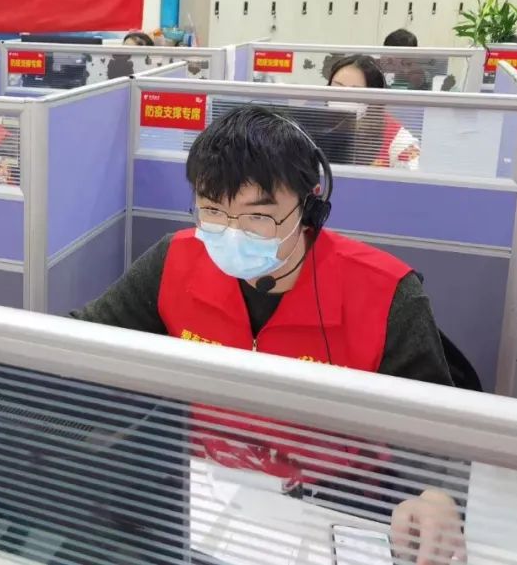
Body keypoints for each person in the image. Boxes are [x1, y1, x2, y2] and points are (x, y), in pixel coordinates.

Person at [72, 106, 464, 562]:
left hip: (336, 505)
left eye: (258, 217)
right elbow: (81, 342)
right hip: (203, 496)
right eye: (212, 211)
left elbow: (439, 435)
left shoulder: (385, 293)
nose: (231, 233)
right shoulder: (174, 261)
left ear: (310, 206)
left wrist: (436, 494)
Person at [327, 54, 421, 169]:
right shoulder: (314, 127)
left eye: (355, 92)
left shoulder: (400, 142)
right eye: (337, 88)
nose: (343, 98)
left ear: (373, 100)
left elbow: (415, 175)